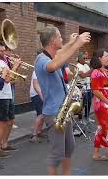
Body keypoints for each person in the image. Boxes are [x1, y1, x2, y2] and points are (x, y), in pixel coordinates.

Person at [35, 26, 91, 175]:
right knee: (56, 155)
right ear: (53, 40)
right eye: (60, 37)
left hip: (63, 110)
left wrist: (71, 43)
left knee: (69, 148)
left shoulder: (51, 55)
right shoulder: (42, 59)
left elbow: (60, 52)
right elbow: (53, 66)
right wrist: (77, 44)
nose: (62, 40)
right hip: (54, 112)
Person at [0, 42, 20, 158]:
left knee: (10, 121)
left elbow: (11, 78)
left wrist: (17, 66)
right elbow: (5, 80)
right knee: (2, 123)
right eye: (2, 51)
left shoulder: (2, 62)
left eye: (4, 50)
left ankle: (5, 144)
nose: (4, 53)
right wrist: (15, 66)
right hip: (0, 96)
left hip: (8, 94)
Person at [76, 51, 93, 122]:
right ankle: (80, 119)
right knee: (82, 104)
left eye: (86, 58)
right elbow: (83, 75)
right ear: (79, 58)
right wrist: (93, 68)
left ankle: (87, 116)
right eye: (84, 58)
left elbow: (90, 74)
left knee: (89, 103)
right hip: (81, 88)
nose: (86, 59)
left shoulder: (86, 65)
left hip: (88, 87)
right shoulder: (77, 66)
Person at [29, 70, 44, 143]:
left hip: (41, 94)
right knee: (40, 114)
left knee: (43, 114)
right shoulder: (37, 71)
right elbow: (35, 85)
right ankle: (34, 135)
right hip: (36, 94)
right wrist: (42, 96)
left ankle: (39, 132)